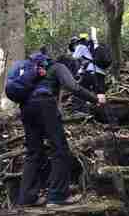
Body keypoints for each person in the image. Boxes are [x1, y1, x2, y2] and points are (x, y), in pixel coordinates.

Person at [17, 53, 105, 208]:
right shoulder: (59, 67)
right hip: (45, 105)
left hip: (26, 108)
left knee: (33, 152)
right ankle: (56, 197)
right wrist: (95, 98)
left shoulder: (34, 69)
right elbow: (72, 86)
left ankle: (27, 198)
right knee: (60, 149)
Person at [71, 34, 106, 108]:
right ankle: (103, 112)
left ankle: (81, 111)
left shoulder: (80, 47)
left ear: (75, 43)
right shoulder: (91, 48)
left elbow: (73, 59)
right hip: (101, 73)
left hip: (91, 72)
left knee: (79, 90)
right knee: (100, 94)